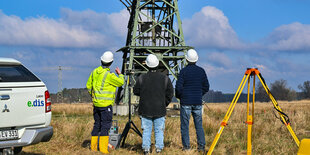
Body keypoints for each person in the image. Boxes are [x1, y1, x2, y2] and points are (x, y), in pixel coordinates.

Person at [133, 54, 174, 155]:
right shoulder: (165, 79)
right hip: (160, 109)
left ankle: (146, 150)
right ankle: (158, 150)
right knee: (159, 130)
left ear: (147, 65)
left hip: (145, 109)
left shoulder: (141, 78)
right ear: (157, 64)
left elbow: (136, 91)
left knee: (146, 130)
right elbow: (170, 93)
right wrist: (164, 103)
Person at [86, 51, 124, 154]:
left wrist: (94, 96)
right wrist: (120, 74)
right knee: (105, 126)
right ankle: (103, 150)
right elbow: (121, 82)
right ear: (111, 62)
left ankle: (93, 148)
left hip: (96, 104)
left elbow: (88, 86)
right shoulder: (109, 75)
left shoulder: (94, 72)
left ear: (101, 60)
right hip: (106, 106)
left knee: (97, 125)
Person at [175, 49, 209, 152]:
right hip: (197, 102)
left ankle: (186, 148)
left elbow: (178, 88)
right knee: (199, 126)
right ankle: (201, 148)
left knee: (185, 126)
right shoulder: (201, 71)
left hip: (185, 102)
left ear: (187, 59)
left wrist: (181, 96)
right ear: (196, 59)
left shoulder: (183, 71)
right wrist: (198, 94)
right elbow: (206, 86)